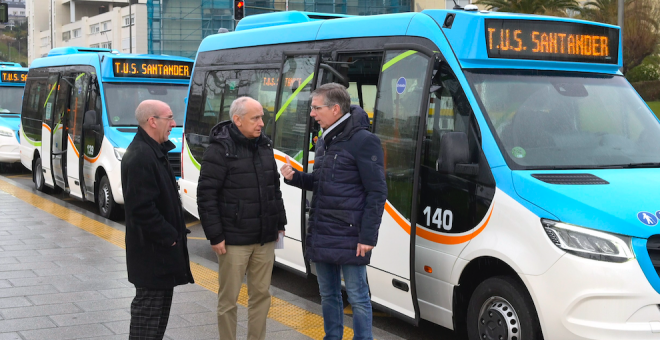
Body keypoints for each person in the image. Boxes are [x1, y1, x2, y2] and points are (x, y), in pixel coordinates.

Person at [280, 83, 387, 340]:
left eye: (317, 108)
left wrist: (367, 237)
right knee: (328, 294)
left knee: (358, 296)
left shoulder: (364, 141)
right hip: (323, 230)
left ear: (336, 109)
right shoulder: (326, 140)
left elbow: (377, 192)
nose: (312, 114)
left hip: (351, 236)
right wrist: (296, 177)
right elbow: (321, 182)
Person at [197, 96, 287, 340]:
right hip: (233, 240)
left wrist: (280, 224)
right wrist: (215, 235)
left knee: (262, 296)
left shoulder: (265, 146)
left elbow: (273, 189)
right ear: (237, 120)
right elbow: (206, 196)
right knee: (229, 299)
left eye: (262, 118)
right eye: (255, 118)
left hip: (265, 238)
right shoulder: (220, 150)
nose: (261, 123)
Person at [122, 100, 194, 340]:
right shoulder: (141, 156)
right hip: (152, 258)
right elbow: (142, 209)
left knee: (155, 326)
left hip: (159, 258)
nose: (174, 124)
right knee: (147, 325)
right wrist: (171, 237)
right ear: (152, 121)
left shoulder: (153, 151)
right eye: (169, 118)